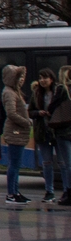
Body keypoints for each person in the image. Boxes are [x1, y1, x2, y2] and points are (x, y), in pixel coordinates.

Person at [30, 68, 64, 202]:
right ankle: (49, 191)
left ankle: (67, 190)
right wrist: (38, 113)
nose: (43, 80)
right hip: (43, 132)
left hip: (59, 131)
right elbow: (30, 111)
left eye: (45, 77)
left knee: (63, 163)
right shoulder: (36, 93)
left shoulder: (59, 92)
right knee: (47, 163)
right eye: (40, 78)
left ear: (52, 78)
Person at [0, 65, 33, 205]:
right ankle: (11, 194)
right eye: (19, 77)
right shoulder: (9, 92)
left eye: (23, 78)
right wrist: (26, 122)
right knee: (14, 164)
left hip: (18, 132)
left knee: (16, 164)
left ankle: (15, 191)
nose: (21, 80)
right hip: (15, 132)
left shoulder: (14, 91)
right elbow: (11, 113)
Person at [55, 67, 71, 206]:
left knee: (68, 164)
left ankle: (68, 192)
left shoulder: (61, 89)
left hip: (64, 131)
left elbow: (52, 107)